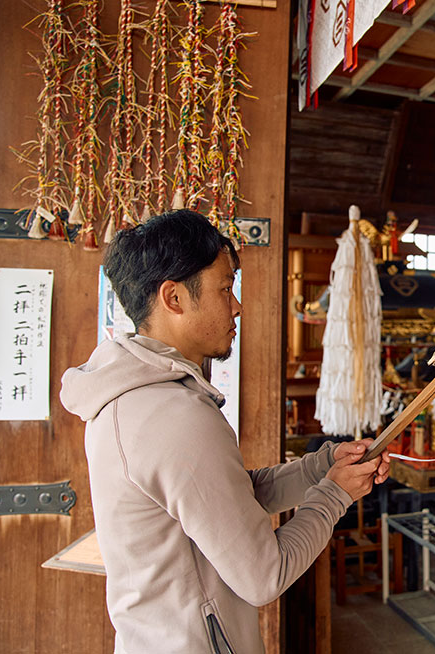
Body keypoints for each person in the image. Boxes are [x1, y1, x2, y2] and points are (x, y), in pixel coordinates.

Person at [60, 210, 390, 654]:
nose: (236, 305)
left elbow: (225, 498)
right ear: (174, 298)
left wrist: (321, 467)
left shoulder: (130, 394)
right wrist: (334, 495)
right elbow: (264, 576)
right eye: (224, 288)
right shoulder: (171, 414)